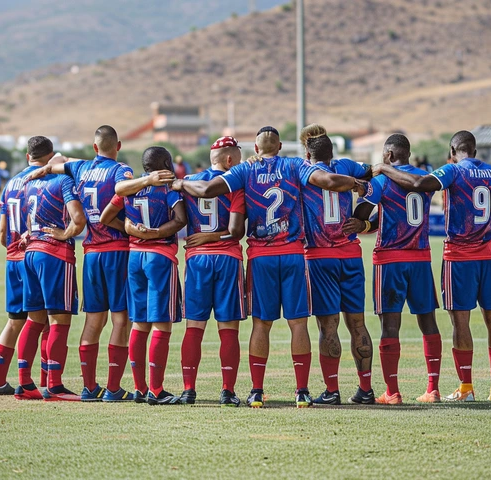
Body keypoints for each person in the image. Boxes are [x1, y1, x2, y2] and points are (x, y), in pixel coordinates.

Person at [172, 126, 366, 408]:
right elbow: (327, 179)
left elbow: (208, 189)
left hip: (260, 257)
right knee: (298, 323)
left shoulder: (245, 171)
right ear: (279, 146)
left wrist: (179, 183)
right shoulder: (295, 164)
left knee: (260, 324)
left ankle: (257, 391)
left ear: (256, 148)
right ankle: (301, 391)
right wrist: (354, 183)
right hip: (292, 253)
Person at [373, 130, 491, 402]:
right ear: (474, 151)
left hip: (459, 257)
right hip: (488, 258)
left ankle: (466, 388)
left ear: (453, 152)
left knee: (460, 320)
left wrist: (382, 168)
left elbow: (418, 182)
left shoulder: (452, 171)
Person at [28, 126, 141, 402]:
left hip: (91, 253)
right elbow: (124, 190)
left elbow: (54, 165)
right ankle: (113, 388)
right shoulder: (121, 171)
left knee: (94, 320)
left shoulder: (79, 168)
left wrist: (38, 172)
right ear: (119, 146)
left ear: (94, 148)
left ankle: (90, 387)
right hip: (117, 250)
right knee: (120, 319)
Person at [354, 134, 442, 405]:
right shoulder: (425, 177)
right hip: (420, 258)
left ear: (390, 155)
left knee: (390, 325)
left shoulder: (382, 180)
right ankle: (433, 388)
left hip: (390, 260)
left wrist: (362, 221)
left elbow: (361, 213)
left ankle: (392, 392)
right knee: (428, 321)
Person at [297, 124, 375, 406]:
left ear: (307, 152)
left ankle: (332, 390)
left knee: (327, 326)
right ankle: (365, 389)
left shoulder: (304, 169)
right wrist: (364, 213)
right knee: (358, 324)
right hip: (351, 254)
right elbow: (372, 173)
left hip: (320, 256)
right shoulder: (347, 166)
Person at [111, 146, 187, 405]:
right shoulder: (167, 189)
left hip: (134, 258)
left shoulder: (131, 188)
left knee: (140, 323)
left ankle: (139, 388)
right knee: (161, 323)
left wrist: (131, 229)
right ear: (166, 163)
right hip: (160, 256)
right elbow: (180, 220)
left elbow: (108, 216)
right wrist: (155, 233)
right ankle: (156, 389)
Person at [176, 137, 246, 407]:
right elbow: (236, 231)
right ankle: (227, 391)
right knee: (228, 328)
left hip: (197, 261)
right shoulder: (235, 184)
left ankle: (188, 390)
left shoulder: (190, 181)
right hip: (227, 258)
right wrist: (215, 238)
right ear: (229, 160)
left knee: (194, 327)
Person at [18, 142, 86, 402]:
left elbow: (28, 220)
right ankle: (54, 386)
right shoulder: (63, 181)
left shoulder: (29, 182)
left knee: (34, 320)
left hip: (31, 252)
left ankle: (24, 383)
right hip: (55, 255)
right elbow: (78, 221)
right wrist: (66, 233)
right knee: (59, 320)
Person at [0, 136, 50, 396]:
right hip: (33, 257)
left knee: (15, 320)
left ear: (28, 156)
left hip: (12, 258)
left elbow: (2, 231)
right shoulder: (43, 181)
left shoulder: (11, 183)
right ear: (49, 157)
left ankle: (0, 382)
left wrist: (12, 250)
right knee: (46, 321)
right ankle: (41, 381)